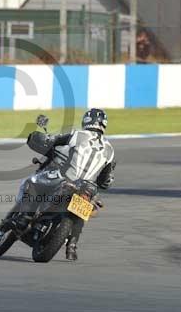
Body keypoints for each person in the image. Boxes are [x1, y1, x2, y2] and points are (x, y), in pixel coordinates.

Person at [17, 108, 116, 261]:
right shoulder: (110, 150)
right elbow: (105, 181)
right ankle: (72, 246)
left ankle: (24, 218)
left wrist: (41, 137)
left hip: (67, 178)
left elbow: (52, 141)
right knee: (85, 205)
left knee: (33, 182)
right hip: (89, 188)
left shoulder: (78, 134)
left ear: (87, 120)